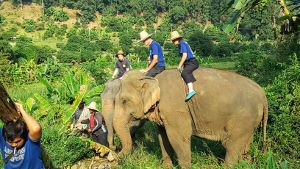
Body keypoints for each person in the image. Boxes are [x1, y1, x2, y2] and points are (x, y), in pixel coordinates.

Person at [0, 103, 44, 169]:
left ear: (24, 135)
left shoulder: (30, 141)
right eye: (10, 142)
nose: (14, 145)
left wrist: (22, 110)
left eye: (17, 141)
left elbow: (36, 128)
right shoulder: (4, 135)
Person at [171, 31, 199, 101]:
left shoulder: (182, 43)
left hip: (192, 62)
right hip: (188, 63)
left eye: (174, 40)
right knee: (183, 73)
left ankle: (191, 90)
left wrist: (179, 65)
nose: (173, 42)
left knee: (185, 73)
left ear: (178, 39)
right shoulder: (181, 44)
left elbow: (185, 55)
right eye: (173, 40)